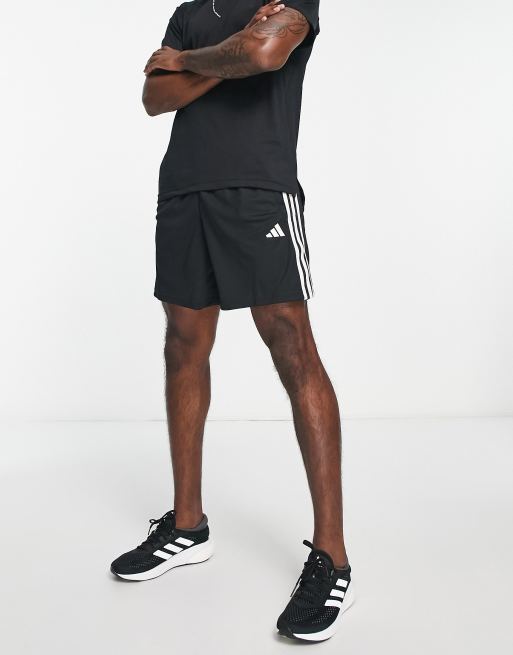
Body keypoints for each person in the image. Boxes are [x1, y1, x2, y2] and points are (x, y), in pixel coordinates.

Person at [110, 0, 353, 641]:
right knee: (182, 343)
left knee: (291, 345)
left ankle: (332, 558)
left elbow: (266, 53)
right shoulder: (189, 11)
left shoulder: (289, 2)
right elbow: (155, 99)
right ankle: (187, 525)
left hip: (259, 187)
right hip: (183, 188)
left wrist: (190, 62)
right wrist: (231, 54)